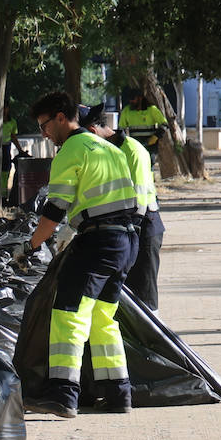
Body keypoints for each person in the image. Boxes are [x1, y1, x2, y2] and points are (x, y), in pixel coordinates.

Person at [15, 91, 140, 417]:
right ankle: (118, 394)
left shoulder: (71, 150)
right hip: (127, 242)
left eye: (44, 125)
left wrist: (29, 246)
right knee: (103, 318)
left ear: (60, 117)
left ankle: (62, 394)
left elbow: (54, 212)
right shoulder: (107, 148)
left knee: (68, 313)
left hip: (98, 243)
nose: (43, 133)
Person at [81, 105, 165, 312]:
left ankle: (153, 341)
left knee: (144, 297)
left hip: (143, 228)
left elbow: (138, 201)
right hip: (122, 231)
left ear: (92, 132)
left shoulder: (132, 150)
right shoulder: (105, 151)